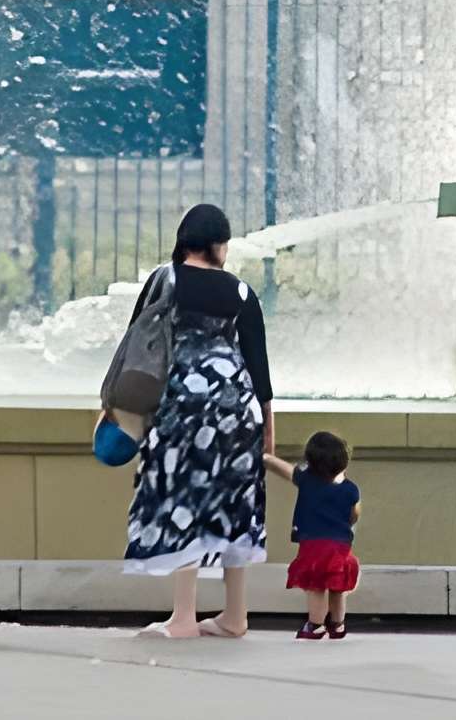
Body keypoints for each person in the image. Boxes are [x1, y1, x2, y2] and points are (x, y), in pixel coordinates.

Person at [123, 203, 274, 637]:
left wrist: (114, 405)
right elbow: (259, 367)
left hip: (182, 406)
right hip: (238, 408)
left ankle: (184, 617)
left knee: (183, 500)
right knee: (236, 505)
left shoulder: (163, 280)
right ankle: (235, 616)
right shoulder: (242, 292)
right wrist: (267, 427)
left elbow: (137, 344)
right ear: (217, 244)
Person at [268, 430, 362, 640]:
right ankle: (337, 624)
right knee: (338, 586)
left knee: (316, 585)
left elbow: (285, 470)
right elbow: (354, 515)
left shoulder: (306, 480)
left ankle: (315, 624)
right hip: (341, 545)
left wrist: (266, 458)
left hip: (314, 545)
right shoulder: (351, 489)